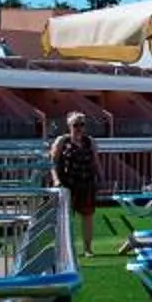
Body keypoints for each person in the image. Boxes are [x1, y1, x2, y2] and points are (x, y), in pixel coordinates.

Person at [45, 112, 102, 270]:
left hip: (86, 183)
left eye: (82, 124)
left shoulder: (90, 142)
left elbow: (96, 162)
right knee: (64, 219)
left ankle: (88, 249)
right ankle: (64, 251)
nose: (79, 128)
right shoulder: (62, 141)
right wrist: (56, 180)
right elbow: (53, 163)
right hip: (67, 185)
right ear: (69, 126)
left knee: (88, 216)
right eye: (76, 125)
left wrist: (101, 178)